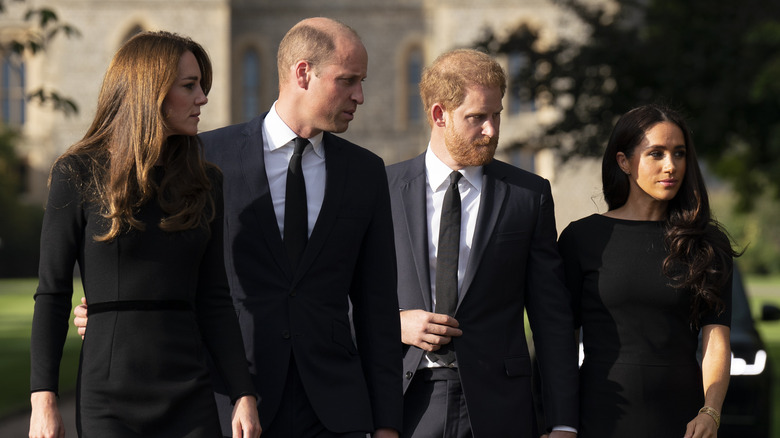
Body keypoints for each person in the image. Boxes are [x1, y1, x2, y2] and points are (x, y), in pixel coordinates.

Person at [75, 18, 402, 438]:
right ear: (303, 73)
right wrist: (108, 309)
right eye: (348, 80)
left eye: (362, 81)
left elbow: (377, 308)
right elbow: (159, 264)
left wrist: (388, 424)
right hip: (232, 403)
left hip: (338, 410)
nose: (360, 95)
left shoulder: (366, 173)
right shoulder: (205, 156)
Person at [29, 31, 260, 438]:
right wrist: (42, 400)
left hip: (190, 391)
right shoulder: (77, 173)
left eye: (202, 86)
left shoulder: (205, 182)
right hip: (109, 395)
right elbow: (52, 293)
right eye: (189, 86)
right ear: (148, 90)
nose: (203, 98)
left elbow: (214, 298)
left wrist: (243, 393)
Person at [386, 49, 579, 438]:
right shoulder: (381, 189)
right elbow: (340, 293)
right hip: (403, 402)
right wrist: (394, 322)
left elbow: (551, 317)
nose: (492, 130)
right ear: (439, 114)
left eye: (497, 115)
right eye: (477, 118)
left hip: (500, 406)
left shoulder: (528, 195)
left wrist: (563, 422)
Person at [557, 104, 735, 438]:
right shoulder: (582, 238)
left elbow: (716, 342)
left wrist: (710, 412)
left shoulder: (708, 243)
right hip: (600, 414)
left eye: (679, 154)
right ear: (623, 161)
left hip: (684, 421)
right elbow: (562, 340)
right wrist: (561, 421)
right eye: (657, 154)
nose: (671, 166)